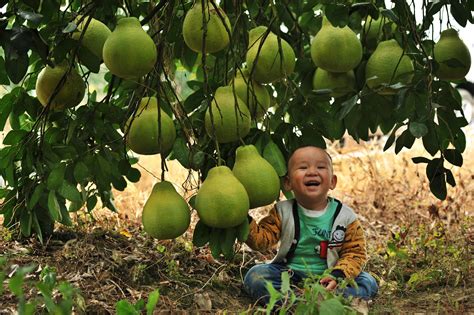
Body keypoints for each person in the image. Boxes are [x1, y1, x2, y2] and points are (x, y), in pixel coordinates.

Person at [243, 146, 378, 305]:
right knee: (256, 275)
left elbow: (355, 253)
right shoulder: (282, 211)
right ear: (288, 183)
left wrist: (338, 275)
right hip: (289, 275)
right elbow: (261, 241)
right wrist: (243, 218)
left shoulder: (345, 217)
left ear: (332, 182)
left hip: (331, 278)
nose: (312, 172)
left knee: (367, 282)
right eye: (303, 167)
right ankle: (298, 301)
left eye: (320, 167)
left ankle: (323, 298)